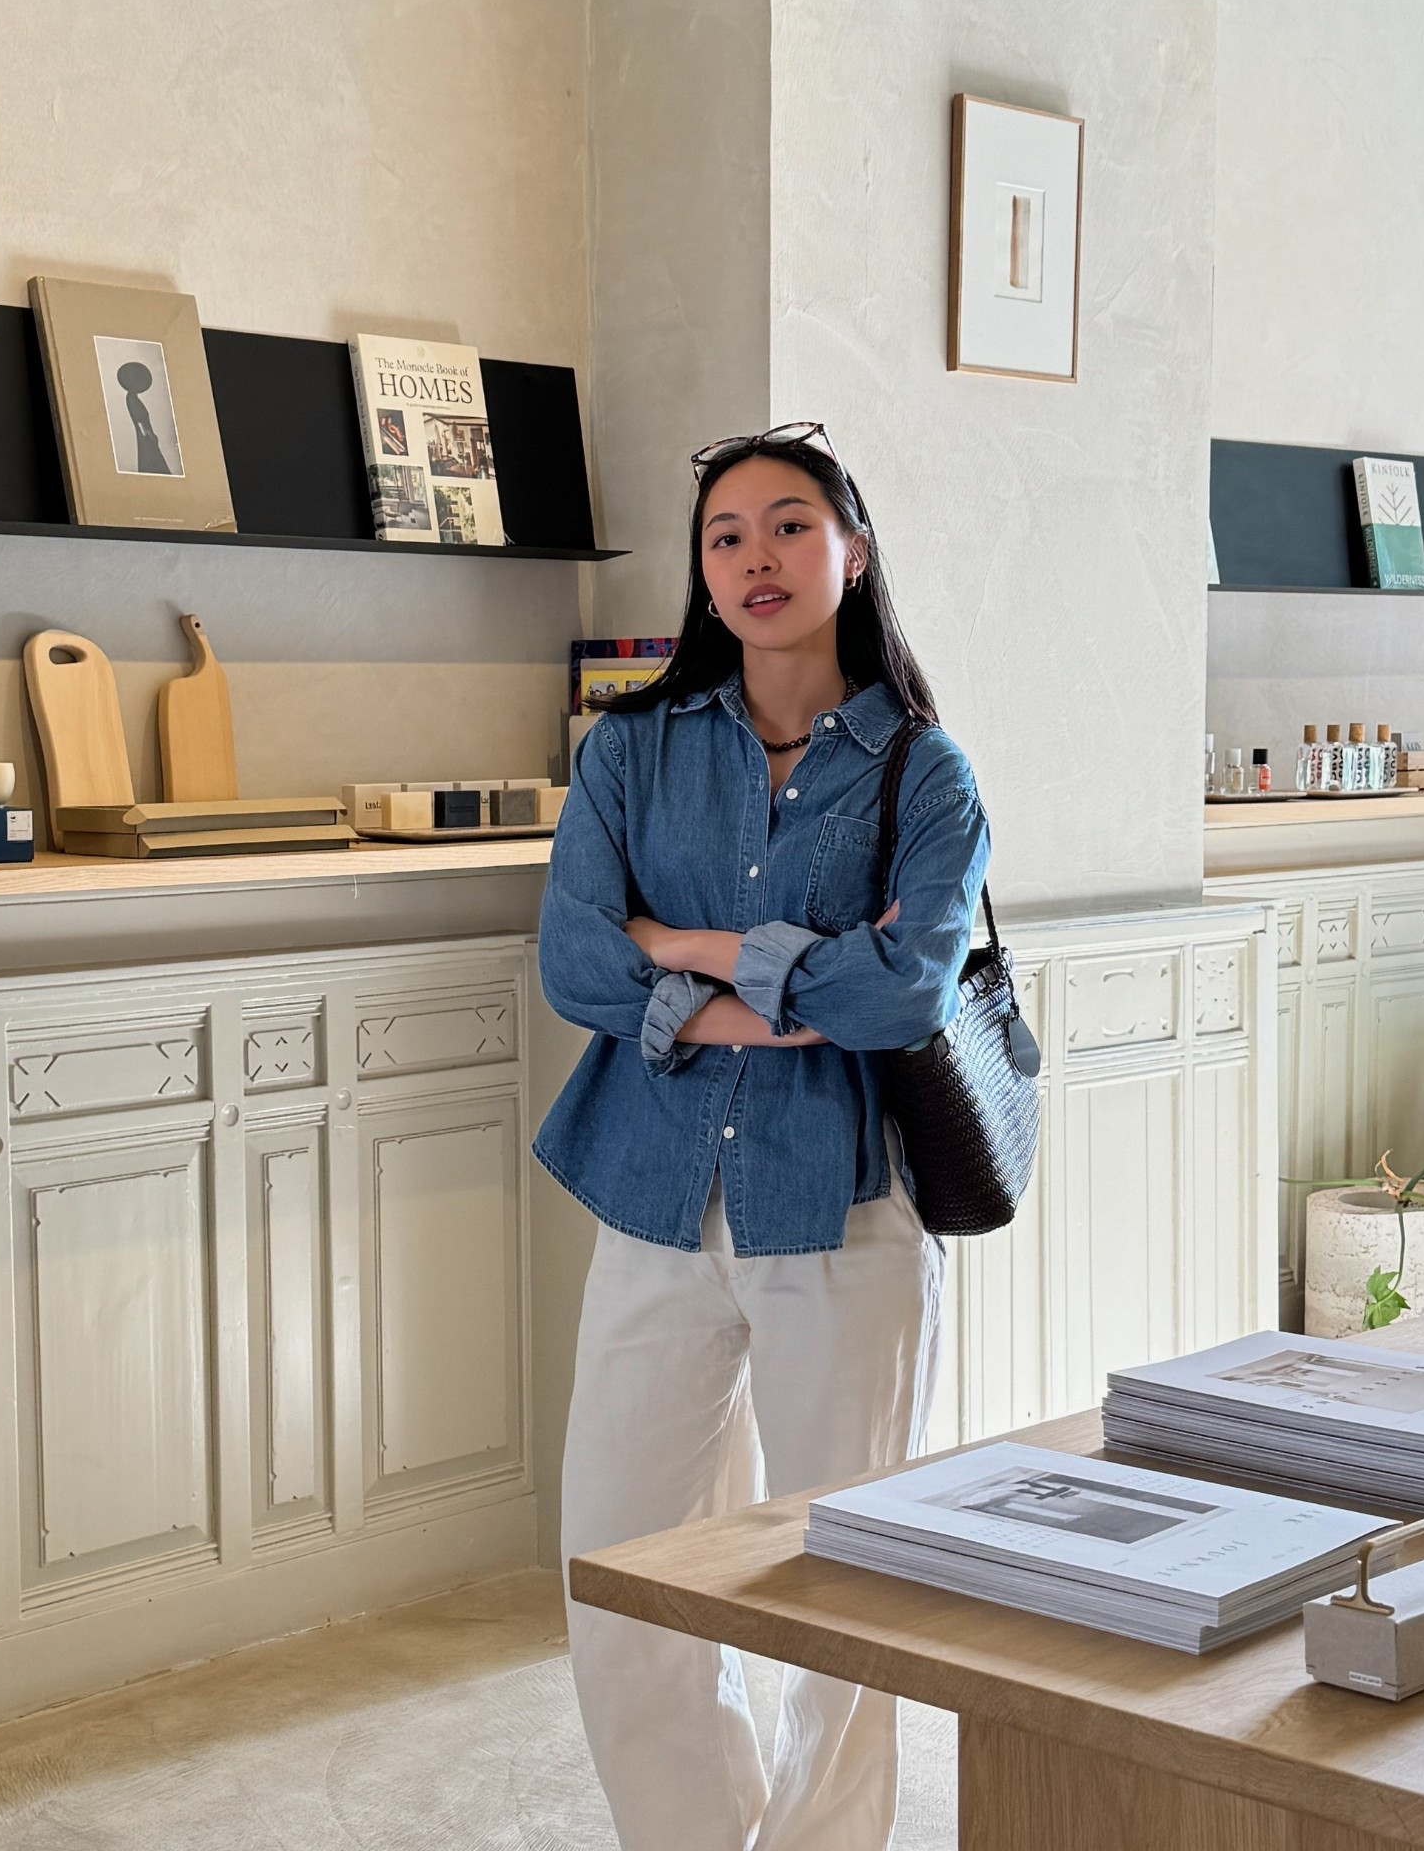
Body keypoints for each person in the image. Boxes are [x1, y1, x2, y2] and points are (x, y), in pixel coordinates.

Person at [533, 420, 991, 1851]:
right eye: (726, 535)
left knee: (848, 1583)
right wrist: (766, 995)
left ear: (851, 552)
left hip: (843, 1220)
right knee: (616, 1569)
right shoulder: (632, 754)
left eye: (788, 525)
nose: (755, 558)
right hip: (653, 1206)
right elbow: (576, 965)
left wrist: (698, 950)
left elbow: (902, 985)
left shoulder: (926, 771)